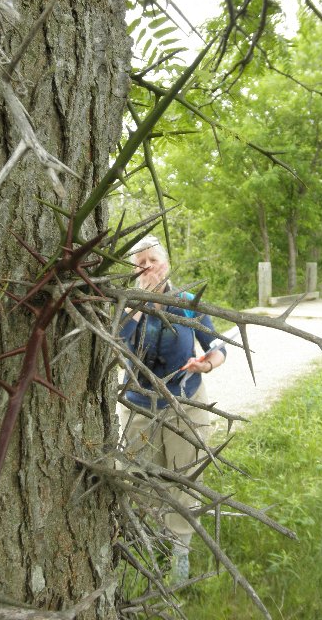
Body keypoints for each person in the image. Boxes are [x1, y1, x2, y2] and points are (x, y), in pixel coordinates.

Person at [118, 235, 225, 582]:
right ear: (134, 271)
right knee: (141, 476)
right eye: (140, 264)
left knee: (186, 476)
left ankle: (180, 556)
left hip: (186, 403)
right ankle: (147, 549)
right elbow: (116, 344)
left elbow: (217, 346)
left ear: (166, 263)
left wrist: (206, 364)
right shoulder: (126, 304)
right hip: (138, 406)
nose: (147, 268)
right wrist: (139, 304)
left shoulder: (187, 301)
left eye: (153, 260)